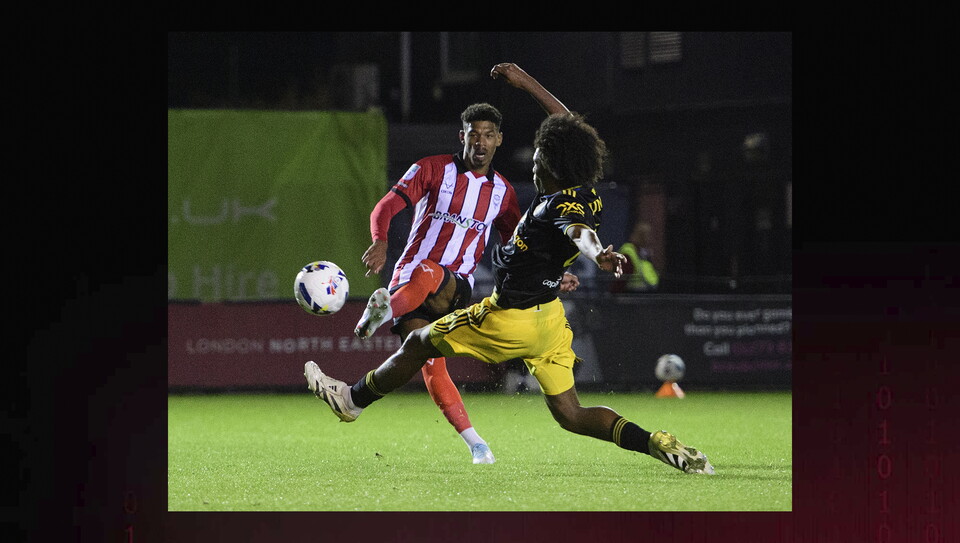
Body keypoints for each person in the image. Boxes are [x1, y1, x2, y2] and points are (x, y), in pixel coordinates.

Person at [305, 63, 715, 475]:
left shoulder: (552, 206)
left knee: (416, 345)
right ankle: (655, 442)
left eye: (538, 160)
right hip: (549, 322)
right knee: (572, 414)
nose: (533, 165)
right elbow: (569, 127)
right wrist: (526, 82)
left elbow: (577, 231)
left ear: (553, 165)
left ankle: (351, 400)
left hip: (508, 317)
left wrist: (597, 254)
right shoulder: (586, 191)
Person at [349, 101, 529, 464]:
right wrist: (380, 241)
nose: (480, 142)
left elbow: (518, 245)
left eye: (488, 135)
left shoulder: (503, 192)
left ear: (499, 140)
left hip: (455, 286)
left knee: (431, 271)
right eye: (474, 134)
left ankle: (381, 314)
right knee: (430, 363)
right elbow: (385, 207)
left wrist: (551, 272)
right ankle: (477, 445)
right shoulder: (432, 169)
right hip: (408, 279)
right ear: (462, 137)